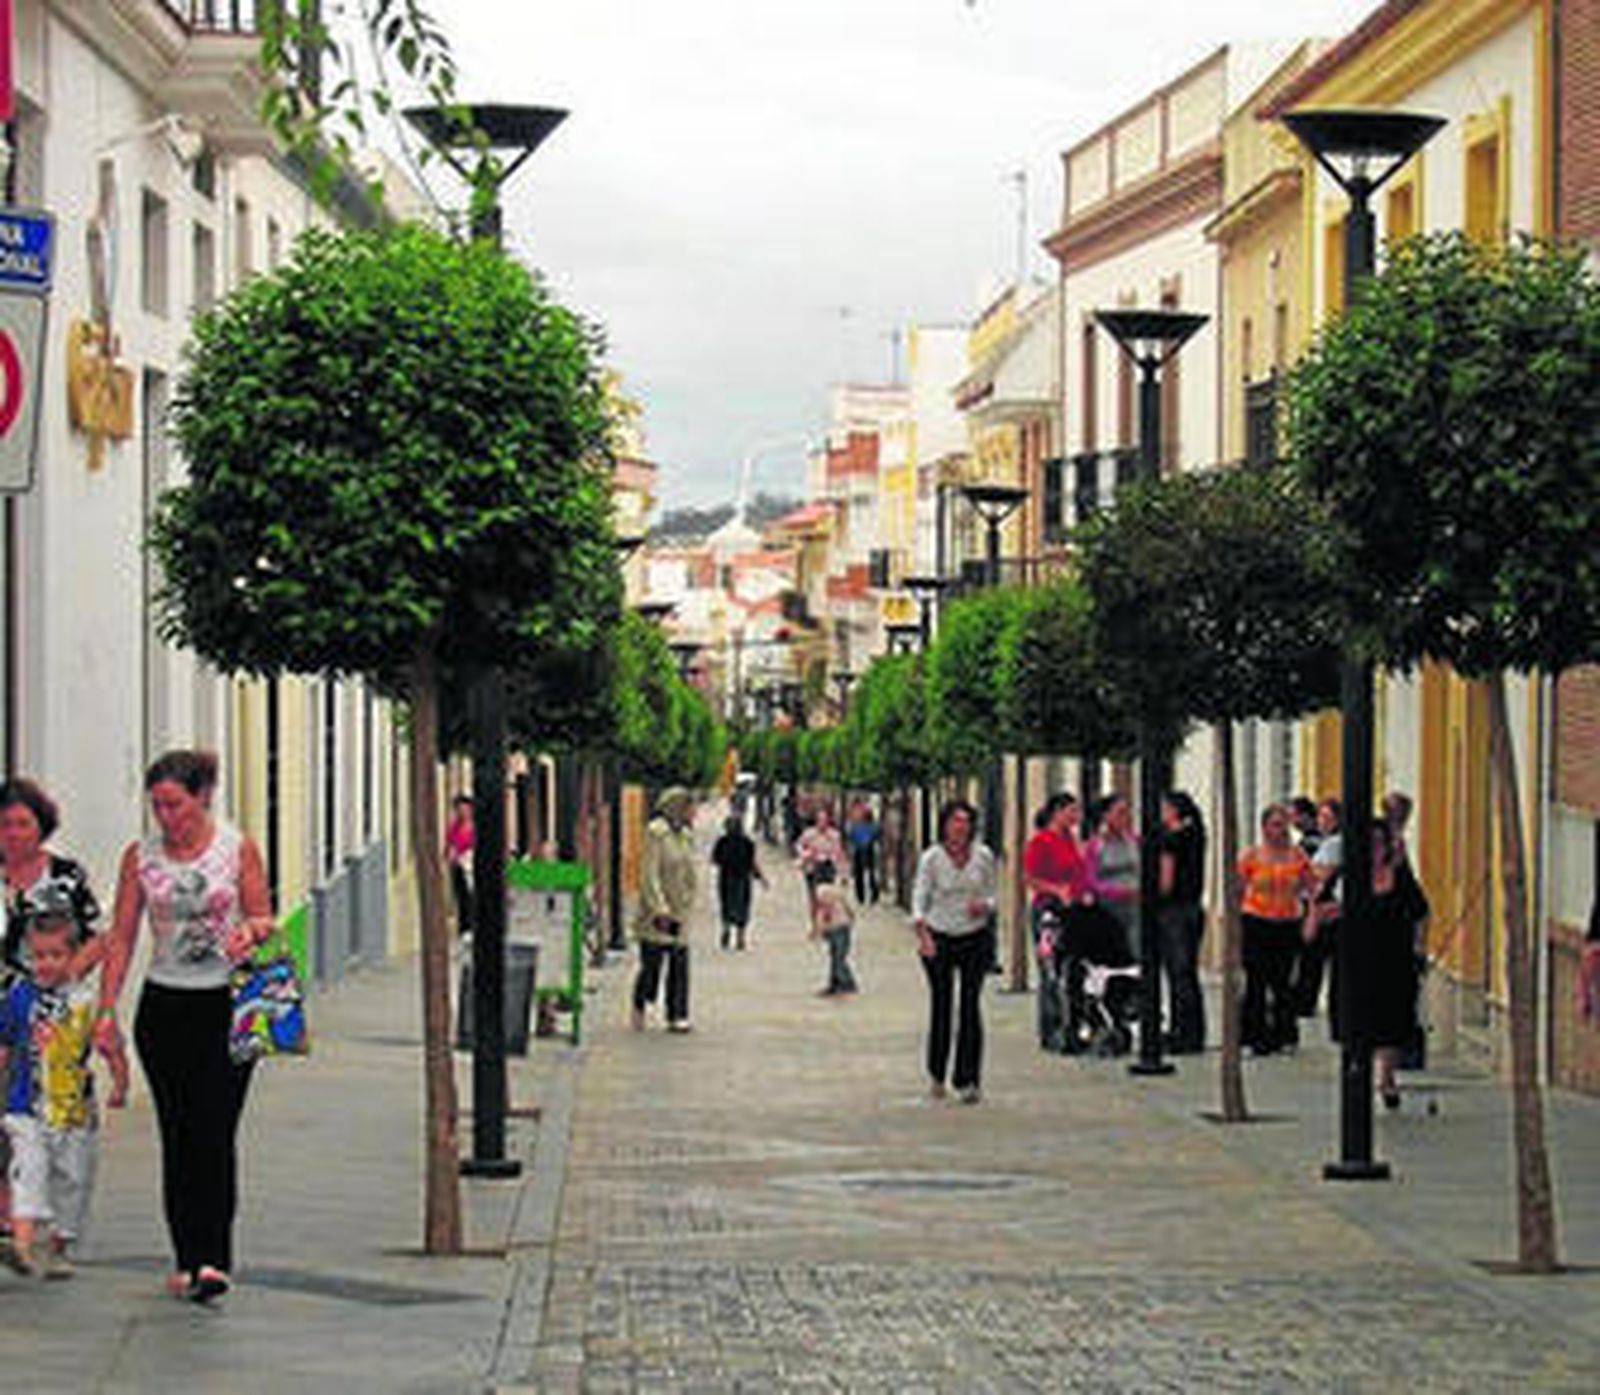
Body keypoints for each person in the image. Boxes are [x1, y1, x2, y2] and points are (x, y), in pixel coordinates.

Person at [96, 750, 277, 1303]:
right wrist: (107, 1008)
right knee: (178, 1134)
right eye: (157, 806)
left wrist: (252, 933)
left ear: (202, 797)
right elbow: (122, 935)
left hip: (229, 1003)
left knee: (216, 1130)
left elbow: (263, 916)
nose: (166, 816)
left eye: (175, 804)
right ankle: (186, 1257)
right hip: (165, 1007)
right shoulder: (140, 858)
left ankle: (215, 1259)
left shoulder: (236, 847)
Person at [0, 778, 127, 1235]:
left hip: (48, 1016)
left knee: (39, 1110)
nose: (13, 833)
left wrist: (67, 973)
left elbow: (99, 937)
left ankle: (36, 1210)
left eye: (22, 823)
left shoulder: (65, 876)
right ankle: (10, 1209)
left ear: (41, 826)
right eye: (4, 824)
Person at [0, 912, 122, 1278]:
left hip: (74, 1112)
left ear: (73, 955)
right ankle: (21, 1246)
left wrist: (120, 1081)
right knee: (29, 1169)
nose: (46, 964)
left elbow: (110, 1044)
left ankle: (58, 1246)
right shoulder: (19, 995)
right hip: (26, 1106)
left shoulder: (86, 1000)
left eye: (55, 955)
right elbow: (4, 1042)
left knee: (73, 1178)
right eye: (39, 955)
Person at [911, 800, 997, 1104]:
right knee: (942, 1005)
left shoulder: (983, 856)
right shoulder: (932, 858)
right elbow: (920, 898)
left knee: (971, 1006)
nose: (960, 827)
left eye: (965, 821)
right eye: (954, 820)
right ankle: (937, 1073)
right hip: (939, 936)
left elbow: (993, 894)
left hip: (974, 937)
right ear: (944, 825)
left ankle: (968, 1079)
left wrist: (984, 906)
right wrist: (923, 935)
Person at [1363, 819, 1432, 1109]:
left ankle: (1386, 1077)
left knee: (1393, 1020)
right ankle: (1364, 1072)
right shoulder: (1351, 877)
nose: (1375, 850)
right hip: (1361, 960)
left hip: (1396, 958)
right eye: (1370, 844)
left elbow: (1422, 912)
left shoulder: (1401, 877)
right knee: (1365, 1018)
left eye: (1380, 843)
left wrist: (1420, 947)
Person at [1237, 803, 1315, 1056]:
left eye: (1284, 825)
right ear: (1264, 828)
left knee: (1283, 981)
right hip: (1256, 920)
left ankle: (1285, 1034)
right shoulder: (1251, 857)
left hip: (1287, 922)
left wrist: (1310, 919)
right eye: (1275, 825)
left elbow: (1311, 890)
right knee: (1256, 981)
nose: (1281, 831)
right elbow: (1238, 889)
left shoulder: (1298, 857)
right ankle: (1253, 1037)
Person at [1022, 793, 1088, 1052]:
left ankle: (1072, 1028)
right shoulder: (1040, 841)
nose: (1076, 817)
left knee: (1073, 970)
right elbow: (1029, 879)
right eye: (1072, 811)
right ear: (1057, 812)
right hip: (1047, 913)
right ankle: (1051, 1031)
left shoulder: (1071, 840)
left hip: (1072, 911)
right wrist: (1056, 890)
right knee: (1050, 971)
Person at [632, 787, 698, 1033]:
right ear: (677, 808)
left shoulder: (686, 836)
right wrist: (659, 908)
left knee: (680, 960)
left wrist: (690, 897)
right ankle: (640, 1002)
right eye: (690, 808)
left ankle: (677, 1015)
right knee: (652, 965)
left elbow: (690, 870)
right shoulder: (656, 833)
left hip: (680, 910)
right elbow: (649, 875)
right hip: (657, 913)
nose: (694, 813)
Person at [1156, 790, 1207, 1055]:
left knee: (1178, 974)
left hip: (1174, 911)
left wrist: (1153, 898)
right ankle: (1193, 1031)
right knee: (1188, 973)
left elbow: (1166, 880)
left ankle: (1181, 1032)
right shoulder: (1197, 833)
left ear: (1174, 810)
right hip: (1194, 907)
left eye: (1164, 808)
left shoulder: (1171, 839)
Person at [1293, 798, 1343, 1019]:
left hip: (1323, 908)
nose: (1321, 821)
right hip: (1324, 907)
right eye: (1321, 816)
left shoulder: (1333, 844)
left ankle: (1304, 1002)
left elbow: (1318, 879)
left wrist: (1311, 912)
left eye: (1327, 817)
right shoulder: (1327, 842)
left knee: (1312, 958)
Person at [1086, 794, 1139, 960]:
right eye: (1120, 812)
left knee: (1134, 949)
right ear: (1106, 816)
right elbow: (1090, 879)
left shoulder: (1134, 840)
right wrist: (1113, 891)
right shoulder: (1096, 845)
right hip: (1108, 905)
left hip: (1134, 903)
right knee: (1112, 951)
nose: (1125, 817)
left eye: (1127, 812)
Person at [711, 814, 764, 950]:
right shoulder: (748, 843)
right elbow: (752, 863)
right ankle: (741, 937)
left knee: (726, 905)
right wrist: (761, 878)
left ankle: (726, 928)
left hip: (726, 878)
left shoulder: (722, 842)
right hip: (743, 878)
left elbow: (714, 860)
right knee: (743, 907)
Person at [809, 861, 858, 996]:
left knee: (836, 957)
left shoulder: (821, 891)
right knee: (839, 956)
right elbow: (847, 906)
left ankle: (842, 983)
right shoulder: (838, 889)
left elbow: (824, 911)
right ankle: (841, 982)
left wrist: (818, 929)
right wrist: (851, 918)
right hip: (844, 925)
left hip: (834, 927)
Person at [795, 804, 849, 902]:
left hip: (828, 867)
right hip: (812, 867)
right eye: (820, 819)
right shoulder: (809, 833)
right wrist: (804, 853)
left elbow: (840, 853)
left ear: (828, 820)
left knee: (825, 896)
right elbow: (799, 844)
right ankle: (814, 908)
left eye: (824, 820)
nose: (822, 822)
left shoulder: (834, 835)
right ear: (816, 820)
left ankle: (825, 908)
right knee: (813, 896)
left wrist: (843, 872)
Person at [444, 795, 475, 939]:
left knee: (473, 896)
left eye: (465, 809)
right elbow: (449, 845)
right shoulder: (454, 827)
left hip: (473, 866)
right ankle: (465, 928)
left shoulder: (476, 827)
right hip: (458, 866)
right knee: (462, 897)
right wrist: (451, 854)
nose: (462, 812)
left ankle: (474, 925)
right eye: (459, 809)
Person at [845, 800, 881, 906]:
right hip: (859, 851)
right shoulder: (856, 826)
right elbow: (851, 837)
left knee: (871, 874)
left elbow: (875, 836)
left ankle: (872, 895)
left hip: (869, 850)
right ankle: (861, 896)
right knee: (860, 874)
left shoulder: (872, 826)